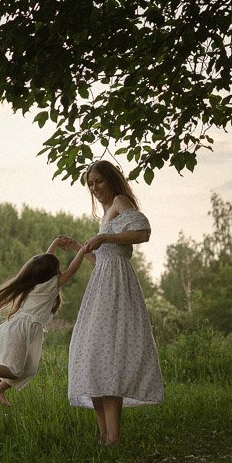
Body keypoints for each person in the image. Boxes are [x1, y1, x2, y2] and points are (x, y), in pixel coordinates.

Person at [61, 160, 163, 445]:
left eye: (99, 181)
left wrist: (105, 236)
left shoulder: (120, 201)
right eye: (90, 184)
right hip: (101, 284)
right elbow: (102, 260)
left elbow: (143, 232)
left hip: (117, 286)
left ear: (111, 180)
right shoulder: (106, 213)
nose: (94, 188)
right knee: (90, 355)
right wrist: (79, 247)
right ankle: (104, 436)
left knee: (110, 356)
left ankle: (113, 438)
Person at [0, 237, 85, 406]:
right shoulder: (51, 285)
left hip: (24, 328)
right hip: (22, 329)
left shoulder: (37, 281)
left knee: (29, 368)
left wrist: (55, 242)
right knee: (15, 371)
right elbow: (72, 270)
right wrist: (83, 249)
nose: (60, 271)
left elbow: (44, 261)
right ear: (52, 272)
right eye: (57, 268)